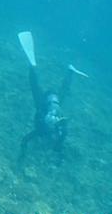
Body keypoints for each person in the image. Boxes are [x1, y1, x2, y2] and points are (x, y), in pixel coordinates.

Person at [16, 31, 88, 167]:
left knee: (56, 92)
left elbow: (26, 140)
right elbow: (26, 140)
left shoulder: (54, 128)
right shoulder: (57, 129)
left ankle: (67, 71)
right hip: (49, 103)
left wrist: (22, 156)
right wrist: (58, 155)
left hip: (52, 102)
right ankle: (67, 71)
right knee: (38, 88)